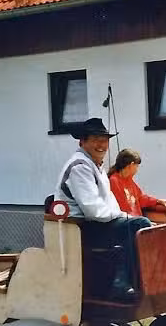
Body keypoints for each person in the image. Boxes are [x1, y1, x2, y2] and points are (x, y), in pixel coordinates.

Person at [52, 118, 151, 302]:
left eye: (104, 140)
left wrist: (123, 215)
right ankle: (120, 284)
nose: (101, 145)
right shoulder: (80, 167)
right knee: (139, 224)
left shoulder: (95, 166)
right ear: (82, 141)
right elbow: (94, 211)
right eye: (95, 140)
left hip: (94, 226)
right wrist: (125, 216)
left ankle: (137, 281)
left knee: (141, 225)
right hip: (81, 229)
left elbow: (109, 204)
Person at [108, 149, 166, 217]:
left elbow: (141, 198)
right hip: (128, 221)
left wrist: (159, 201)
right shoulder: (114, 181)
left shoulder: (129, 180)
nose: (137, 169)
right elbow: (121, 207)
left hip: (136, 220)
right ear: (131, 165)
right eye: (137, 166)